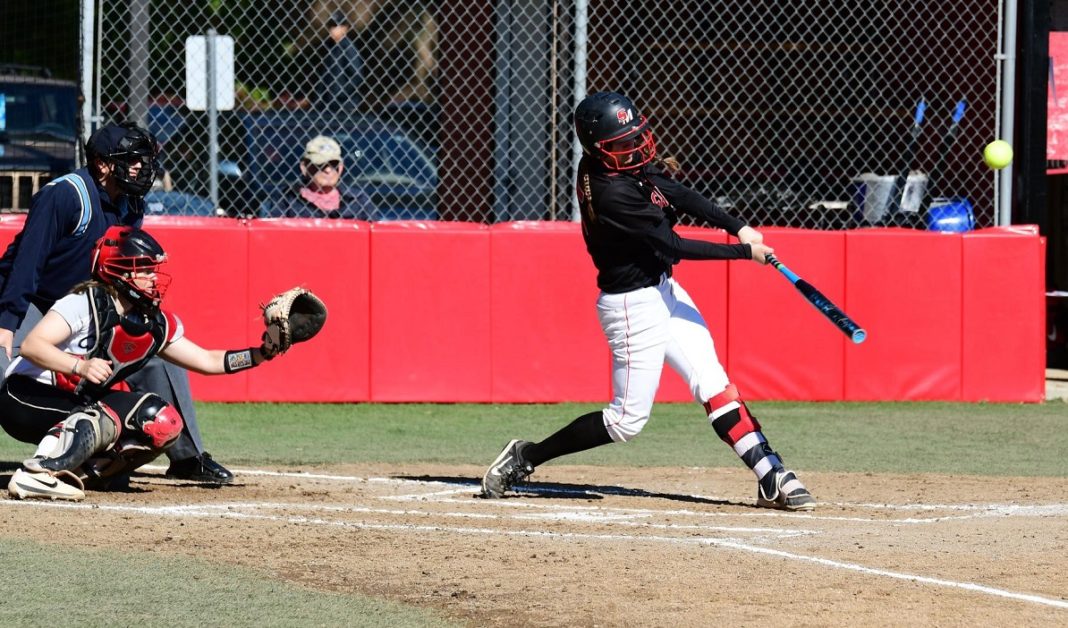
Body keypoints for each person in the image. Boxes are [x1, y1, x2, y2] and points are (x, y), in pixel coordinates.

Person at [480, 91, 816, 511]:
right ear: (597, 150)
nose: (633, 148)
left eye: (634, 137)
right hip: (631, 306)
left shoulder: (620, 166)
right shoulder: (611, 194)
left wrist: (738, 226)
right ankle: (525, 456)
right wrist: (743, 253)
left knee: (713, 383)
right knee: (625, 422)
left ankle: (771, 473)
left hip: (664, 290)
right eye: (620, 144)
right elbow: (673, 245)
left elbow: (675, 191)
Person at [0, 121, 235, 484]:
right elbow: (27, 265)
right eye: (132, 159)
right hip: (30, 299)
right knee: (4, 375)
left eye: (144, 159)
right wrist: (7, 323)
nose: (142, 166)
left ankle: (187, 456)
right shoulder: (65, 195)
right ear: (102, 164)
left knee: (156, 357)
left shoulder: (130, 201)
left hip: (84, 305)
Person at [2, 226, 286, 501]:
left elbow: (207, 360)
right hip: (24, 396)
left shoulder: (153, 323)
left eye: (154, 270)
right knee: (99, 415)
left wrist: (263, 353)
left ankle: (80, 474)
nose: (154, 278)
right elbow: (31, 346)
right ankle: (39, 472)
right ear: (119, 270)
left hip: (79, 405)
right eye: (145, 270)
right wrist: (80, 366)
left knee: (161, 421)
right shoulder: (83, 302)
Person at [268, 135, 377, 219]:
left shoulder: (358, 200)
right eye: (320, 164)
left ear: (341, 168)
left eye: (333, 164)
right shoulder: (287, 199)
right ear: (305, 168)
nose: (328, 170)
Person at [314, 10, 364, 116]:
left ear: (345, 28)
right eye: (331, 26)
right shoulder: (331, 47)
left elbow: (356, 75)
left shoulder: (348, 47)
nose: (332, 29)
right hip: (328, 104)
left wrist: (340, 93)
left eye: (336, 26)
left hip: (343, 106)